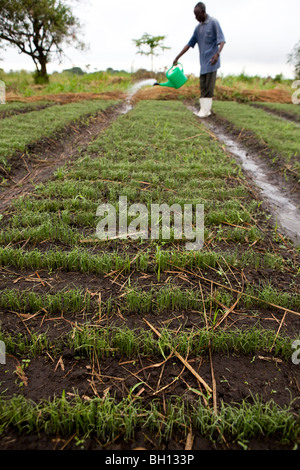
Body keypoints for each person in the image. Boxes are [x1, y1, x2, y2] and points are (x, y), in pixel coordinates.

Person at [173, 2, 225, 117]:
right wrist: (177, 56)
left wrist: (217, 54)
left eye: (197, 15)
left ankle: (205, 111)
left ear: (203, 12)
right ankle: (205, 110)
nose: (195, 18)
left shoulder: (213, 22)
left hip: (212, 61)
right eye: (194, 15)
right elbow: (189, 44)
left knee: (209, 88)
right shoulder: (198, 28)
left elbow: (222, 40)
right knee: (203, 87)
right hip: (203, 63)